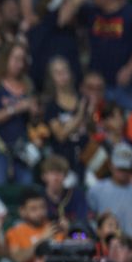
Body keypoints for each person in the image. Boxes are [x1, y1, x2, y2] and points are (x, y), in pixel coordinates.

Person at [60, 0, 132, 111]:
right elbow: (64, 17)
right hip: (97, 86)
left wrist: (131, 67)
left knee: (130, 127)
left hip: (126, 86)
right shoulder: (92, 12)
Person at [0, 41, 39, 186]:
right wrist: (15, 109)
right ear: (5, 58)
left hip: (22, 147)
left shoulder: (28, 84)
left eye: (22, 60)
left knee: (26, 190)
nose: (20, 64)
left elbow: (34, 121)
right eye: (16, 59)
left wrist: (34, 112)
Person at [43, 56, 90, 186]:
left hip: (86, 155)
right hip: (63, 160)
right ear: (51, 77)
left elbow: (90, 128)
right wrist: (80, 114)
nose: (62, 76)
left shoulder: (83, 98)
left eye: (64, 71)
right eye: (57, 73)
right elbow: (61, 134)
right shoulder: (51, 105)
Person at [5, 187, 64, 262]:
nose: (40, 212)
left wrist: (67, 232)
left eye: (42, 207)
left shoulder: (54, 227)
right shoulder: (14, 232)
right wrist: (42, 239)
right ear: (22, 211)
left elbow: (63, 256)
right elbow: (18, 259)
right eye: (34, 209)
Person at [87, 142, 132, 217]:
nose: (123, 172)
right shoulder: (96, 190)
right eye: (119, 168)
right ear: (111, 165)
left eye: (126, 168)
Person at [40, 155, 87, 224]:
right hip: (46, 233)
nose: (56, 178)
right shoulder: (38, 197)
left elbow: (82, 222)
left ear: (65, 176)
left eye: (59, 173)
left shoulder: (76, 195)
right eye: (52, 173)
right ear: (44, 176)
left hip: (72, 232)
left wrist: (71, 228)